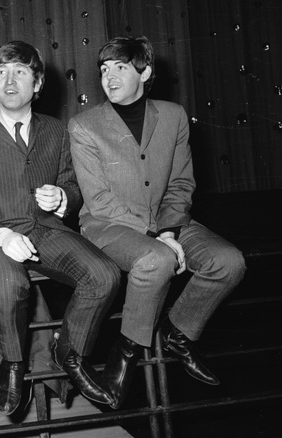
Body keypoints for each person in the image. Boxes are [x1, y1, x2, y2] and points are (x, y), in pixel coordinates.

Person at [68, 36, 247, 409]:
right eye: (104, 70)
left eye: (120, 67)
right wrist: (156, 240)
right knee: (156, 260)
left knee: (228, 262)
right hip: (109, 224)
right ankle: (126, 351)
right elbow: (99, 201)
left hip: (167, 220)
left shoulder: (174, 115)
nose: (109, 77)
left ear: (145, 72)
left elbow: (181, 182)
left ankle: (179, 335)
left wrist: (167, 230)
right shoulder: (84, 125)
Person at [0, 40, 120, 414]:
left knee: (105, 274)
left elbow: (73, 186)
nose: (9, 81)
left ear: (38, 83)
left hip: (45, 230)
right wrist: (2, 235)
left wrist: (62, 197)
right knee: (10, 283)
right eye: (1, 73)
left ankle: (69, 353)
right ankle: (12, 362)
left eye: (20, 72)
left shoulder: (57, 131)